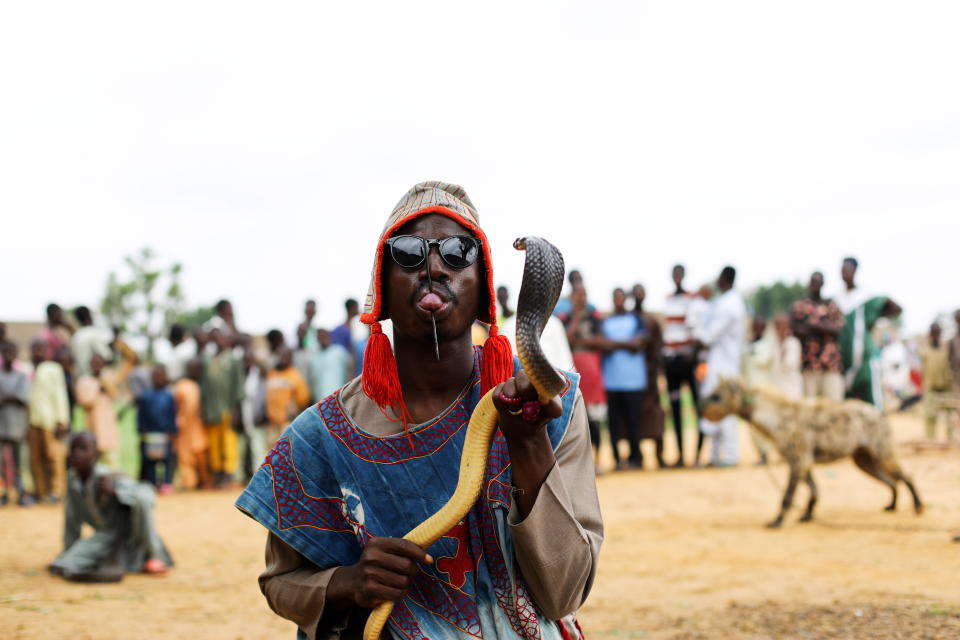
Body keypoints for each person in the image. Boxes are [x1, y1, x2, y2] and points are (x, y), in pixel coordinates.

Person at [236, 181, 601, 639]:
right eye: (407, 253)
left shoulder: (553, 402)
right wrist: (349, 583)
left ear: (483, 283)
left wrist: (527, 442)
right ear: (381, 287)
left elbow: (562, 594)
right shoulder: (318, 438)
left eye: (457, 252)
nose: (433, 266)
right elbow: (280, 584)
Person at [48, 432, 172, 582]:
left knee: (139, 500)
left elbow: (145, 495)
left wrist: (116, 492)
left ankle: (153, 557)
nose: (76, 454)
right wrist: (69, 550)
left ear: (95, 454)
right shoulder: (72, 479)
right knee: (64, 563)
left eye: (83, 449)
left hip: (129, 538)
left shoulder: (107, 476)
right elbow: (71, 519)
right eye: (73, 449)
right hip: (104, 536)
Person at [695, 266, 746, 467]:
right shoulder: (724, 302)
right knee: (713, 408)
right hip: (718, 364)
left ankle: (731, 456)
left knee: (724, 409)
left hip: (725, 367)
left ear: (725, 278)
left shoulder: (730, 304)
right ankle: (716, 456)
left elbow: (709, 336)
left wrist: (694, 333)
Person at [835, 257, 902, 408]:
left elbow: (897, 308)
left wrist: (874, 317)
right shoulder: (836, 298)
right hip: (844, 362)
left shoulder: (865, 296)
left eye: (847, 269)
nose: (844, 273)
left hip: (865, 358)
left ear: (855, 271)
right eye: (842, 270)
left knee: (873, 403)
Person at [600, 287, 648, 470]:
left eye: (621, 297)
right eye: (616, 297)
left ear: (625, 299)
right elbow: (603, 344)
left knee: (633, 421)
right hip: (611, 380)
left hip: (633, 381)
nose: (618, 300)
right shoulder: (606, 321)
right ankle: (617, 458)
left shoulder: (636, 319)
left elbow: (638, 344)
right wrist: (625, 344)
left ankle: (636, 457)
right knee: (613, 423)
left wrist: (614, 344)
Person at [559, 284, 606, 466]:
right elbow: (566, 338)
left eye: (584, 294)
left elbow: (600, 340)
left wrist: (580, 341)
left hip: (592, 369)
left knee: (595, 418)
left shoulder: (594, 316)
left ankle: (598, 460)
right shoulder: (566, 317)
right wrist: (577, 317)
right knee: (578, 417)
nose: (581, 298)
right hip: (575, 369)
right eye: (578, 295)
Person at [662, 264, 701, 467]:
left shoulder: (691, 299)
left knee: (696, 407)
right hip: (672, 362)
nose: (677, 277)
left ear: (683, 276)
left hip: (687, 362)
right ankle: (680, 455)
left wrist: (691, 356)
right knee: (675, 408)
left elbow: (694, 328)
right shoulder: (668, 300)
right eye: (674, 273)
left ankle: (696, 455)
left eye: (679, 274)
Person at [75, 343, 136, 468]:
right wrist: (99, 388)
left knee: (112, 463)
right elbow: (84, 401)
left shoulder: (109, 378)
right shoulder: (84, 381)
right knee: (92, 462)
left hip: (108, 429)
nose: (97, 366)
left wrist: (124, 349)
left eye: (100, 363)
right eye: (94, 363)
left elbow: (126, 369)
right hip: (92, 428)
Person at [26, 338, 71, 502]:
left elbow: (60, 395)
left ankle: (57, 491)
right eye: (34, 349)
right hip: (33, 421)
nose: (37, 352)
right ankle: (40, 491)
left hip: (50, 421)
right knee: (35, 459)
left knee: (54, 457)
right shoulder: (29, 369)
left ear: (47, 351)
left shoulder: (52, 369)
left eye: (40, 349)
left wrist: (62, 420)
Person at [791, 271, 845, 401]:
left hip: (831, 365)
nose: (814, 285)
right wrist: (824, 326)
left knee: (834, 405)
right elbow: (796, 329)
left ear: (822, 284)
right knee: (809, 407)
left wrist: (813, 326)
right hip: (809, 364)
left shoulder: (831, 305)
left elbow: (838, 329)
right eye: (812, 282)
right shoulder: (800, 306)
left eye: (817, 282)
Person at [201, 328, 245, 487]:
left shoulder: (233, 359)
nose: (217, 340)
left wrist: (237, 410)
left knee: (228, 442)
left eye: (220, 337)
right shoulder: (207, 359)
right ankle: (217, 474)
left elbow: (238, 387)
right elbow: (204, 387)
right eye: (214, 338)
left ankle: (228, 474)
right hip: (211, 410)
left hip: (228, 409)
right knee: (213, 444)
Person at [632, 284, 666, 468]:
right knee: (634, 415)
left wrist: (660, 374)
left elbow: (659, 350)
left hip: (650, 376)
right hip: (632, 378)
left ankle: (659, 456)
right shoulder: (628, 320)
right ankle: (637, 456)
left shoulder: (652, 321)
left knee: (655, 413)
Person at [136, 365, 177, 494]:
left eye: (161, 375)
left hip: (165, 434)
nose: (158, 378)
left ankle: (166, 483)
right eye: (155, 376)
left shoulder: (168, 396)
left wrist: (172, 430)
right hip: (150, 435)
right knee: (150, 461)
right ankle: (152, 483)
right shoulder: (146, 396)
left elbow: (172, 414)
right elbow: (141, 415)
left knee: (167, 460)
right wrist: (141, 429)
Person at [0, 341, 31, 505]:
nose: (9, 355)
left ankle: (21, 493)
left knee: (20, 463)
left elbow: (23, 398)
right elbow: (17, 397)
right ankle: (3, 493)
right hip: (1, 425)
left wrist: (5, 398)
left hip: (18, 426)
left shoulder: (21, 376)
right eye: (6, 352)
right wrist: (13, 397)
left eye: (12, 352)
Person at [742, 314, 774, 464]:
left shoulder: (767, 344)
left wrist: (750, 347)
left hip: (763, 390)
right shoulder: (746, 345)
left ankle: (766, 452)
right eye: (755, 326)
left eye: (760, 326)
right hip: (750, 390)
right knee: (753, 425)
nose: (757, 329)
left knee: (765, 422)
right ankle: (760, 453)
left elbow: (763, 360)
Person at [173, 358, 208, 490]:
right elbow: (180, 406)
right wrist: (182, 420)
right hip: (185, 426)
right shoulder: (184, 386)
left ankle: (201, 481)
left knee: (199, 453)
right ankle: (189, 482)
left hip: (195, 425)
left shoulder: (196, 385)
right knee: (186, 456)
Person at [265, 347, 310, 447]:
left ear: (290, 358)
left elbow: (303, 399)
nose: (283, 359)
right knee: (269, 453)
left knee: (284, 453)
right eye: (280, 356)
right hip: (272, 423)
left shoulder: (295, 375)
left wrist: (293, 410)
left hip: (286, 423)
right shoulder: (272, 373)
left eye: (286, 356)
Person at [919, 322, 957, 441]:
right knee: (930, 414)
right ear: (930, 334)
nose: (936, 335)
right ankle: (930, 438)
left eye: (938, 332)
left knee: (950, 413)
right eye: (934, 332)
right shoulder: (924, 349)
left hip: (946, 386)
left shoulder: (947, 348)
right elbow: (923, 368)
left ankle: (950, 438)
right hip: (931, 386)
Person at [308, 328, 351, 402]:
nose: (322, 339)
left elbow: (350, 369)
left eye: (324, 336)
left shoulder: (339, 351)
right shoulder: (313, 357)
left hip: (339, 399)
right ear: (317, 339)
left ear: (329, 336)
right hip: (319, 402)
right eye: (320, 337)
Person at [70, 306, 112, 377]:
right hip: (97, 378)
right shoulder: (93, 333)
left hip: (83, 379)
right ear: (89, 316)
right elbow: (107, 357)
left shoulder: (74, 337)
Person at [771, 313, 803, 399]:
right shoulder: (773, 343)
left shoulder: (793, 343)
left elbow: (788, 364)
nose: (780, 329)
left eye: (783, 326)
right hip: (777, 390)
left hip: (791, 390)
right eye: (777, 326)